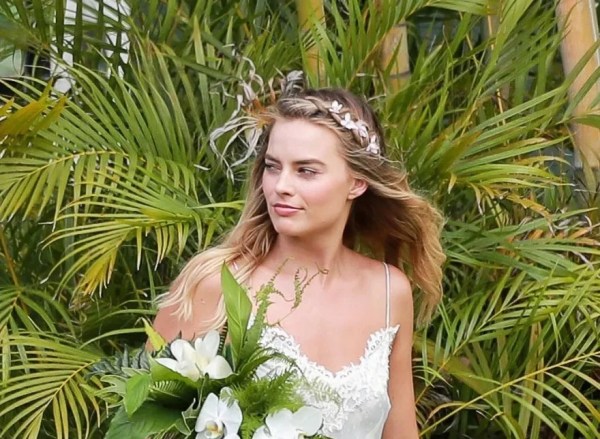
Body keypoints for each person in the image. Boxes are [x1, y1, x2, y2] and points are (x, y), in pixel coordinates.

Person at [152, 88, 445, 438]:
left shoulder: (388, 291)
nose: (281, 186)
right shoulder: (217, 283)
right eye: (272, 167)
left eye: (306, 171)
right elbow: (144, 420)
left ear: (357, 182)